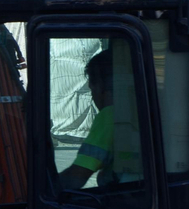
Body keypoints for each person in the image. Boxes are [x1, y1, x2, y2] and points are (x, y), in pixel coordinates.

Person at [57, 48, 142, 190]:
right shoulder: (140, 110)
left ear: (101, 86)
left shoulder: (111, 116)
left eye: (92, 90)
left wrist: (45, 191)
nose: (93, 96)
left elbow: (77, 176)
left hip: (122, 201)